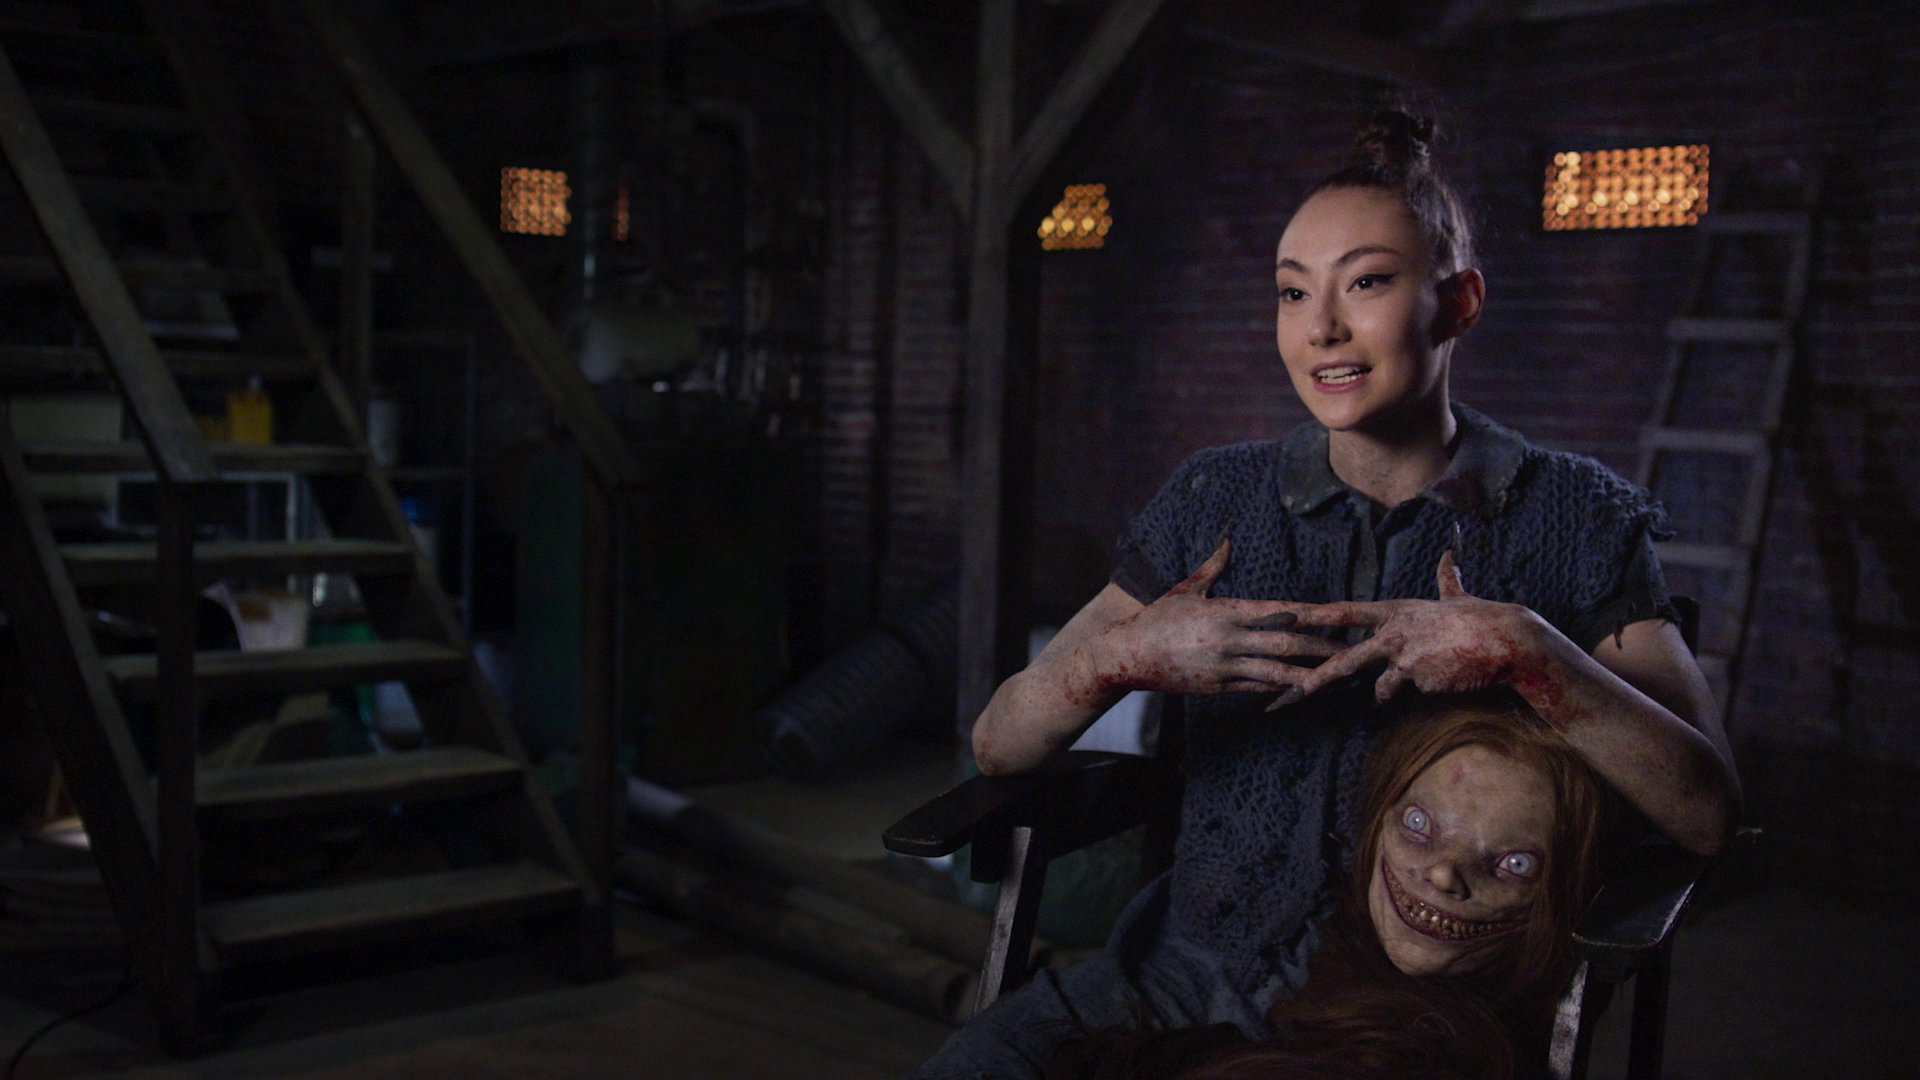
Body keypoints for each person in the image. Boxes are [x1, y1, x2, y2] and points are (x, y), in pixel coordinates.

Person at [910, 108, 1740, 1079]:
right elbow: (999, 743)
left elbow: (1706, 811)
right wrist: (1120, 659)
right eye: (1293, 291)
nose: (1322, 328)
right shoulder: (1215, 498)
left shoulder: (1573, 514)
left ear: (1460, 303)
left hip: (1415, 1009)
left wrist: (1525, 651)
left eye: (1368, 282)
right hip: (1180, 969)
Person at [1044, 693, 1620, 1080]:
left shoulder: (1453, 1047)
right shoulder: (1325, 963)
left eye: (1513, 864)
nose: (1444, 874)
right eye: (1418, 825)